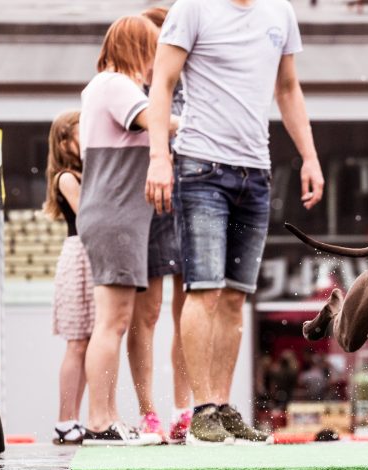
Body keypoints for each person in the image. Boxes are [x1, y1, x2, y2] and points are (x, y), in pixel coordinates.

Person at [145, 0, 324, 443]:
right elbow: (161, 83)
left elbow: (288, 88)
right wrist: (158, 158)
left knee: (234, 298)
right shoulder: (192, 9)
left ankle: (222, 406)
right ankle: (201, 406)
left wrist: (310, 157)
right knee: (204, 289)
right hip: (201, 167)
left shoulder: (280, 12)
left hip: (256, 172)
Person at [77, 15, 172, 445]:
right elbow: (155, 120)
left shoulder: (102, 87)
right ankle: (100, 420)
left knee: (113, 321)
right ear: (138, 47)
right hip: (116, 218)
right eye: (153, 49)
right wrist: (193, 123)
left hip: (115, 218)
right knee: (112, 322)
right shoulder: (116, 85)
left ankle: (109, 416)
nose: (158, 61)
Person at [124, 5, 192, 444]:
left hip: (194, 199)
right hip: (148, 200)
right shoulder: (129, 87)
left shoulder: (192, 80)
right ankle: (148, 413)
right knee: (146, 312)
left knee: (190, 311)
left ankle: (186, 410)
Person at [44, 110, 92, 445]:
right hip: (80, 256)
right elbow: (88, 216)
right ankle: (65, 419)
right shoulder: (66, 177)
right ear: (65, 141)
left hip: (90, 256)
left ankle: (74, 417)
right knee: (77, 343)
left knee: (88, 344)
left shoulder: (85, 173)